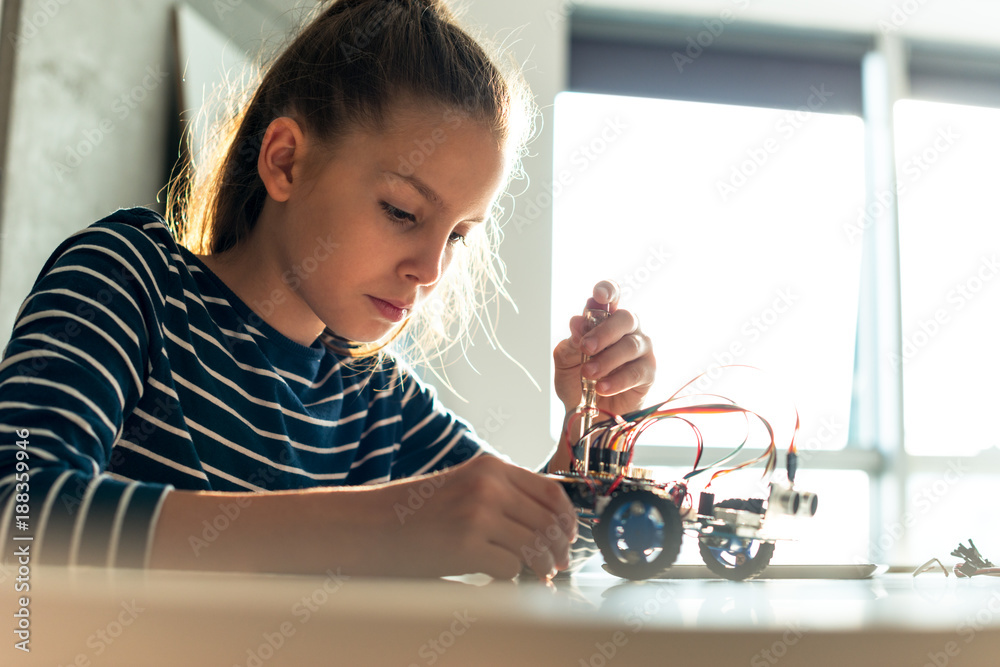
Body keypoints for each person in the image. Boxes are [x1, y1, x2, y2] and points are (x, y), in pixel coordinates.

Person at [0, 0, 655, 582]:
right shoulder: (129, 277)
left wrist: (588, 432)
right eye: (401, 211)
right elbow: (17, 514)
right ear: (286, 160)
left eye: (457, 235)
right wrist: (384, 530)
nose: (430, 269)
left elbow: (529, 537)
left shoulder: (378, 400)